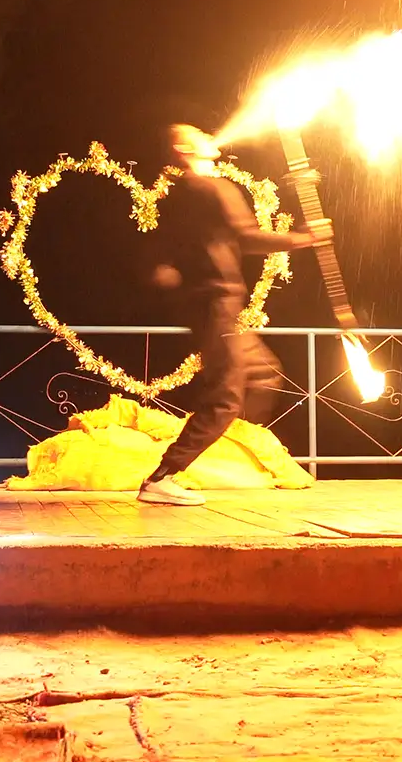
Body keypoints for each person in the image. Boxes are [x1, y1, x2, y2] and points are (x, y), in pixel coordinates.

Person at [138, 124, 330, 506]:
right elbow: (247, 238)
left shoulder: (181, 195)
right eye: (198, 135)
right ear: (183, 148)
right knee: (225, 397)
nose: (211, 136)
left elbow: (168, 250)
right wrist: (303, 238)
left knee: (264, 374)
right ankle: (163, 476)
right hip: (217, 305)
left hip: (211, 304)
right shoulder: (212, 189)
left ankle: (226, 451)